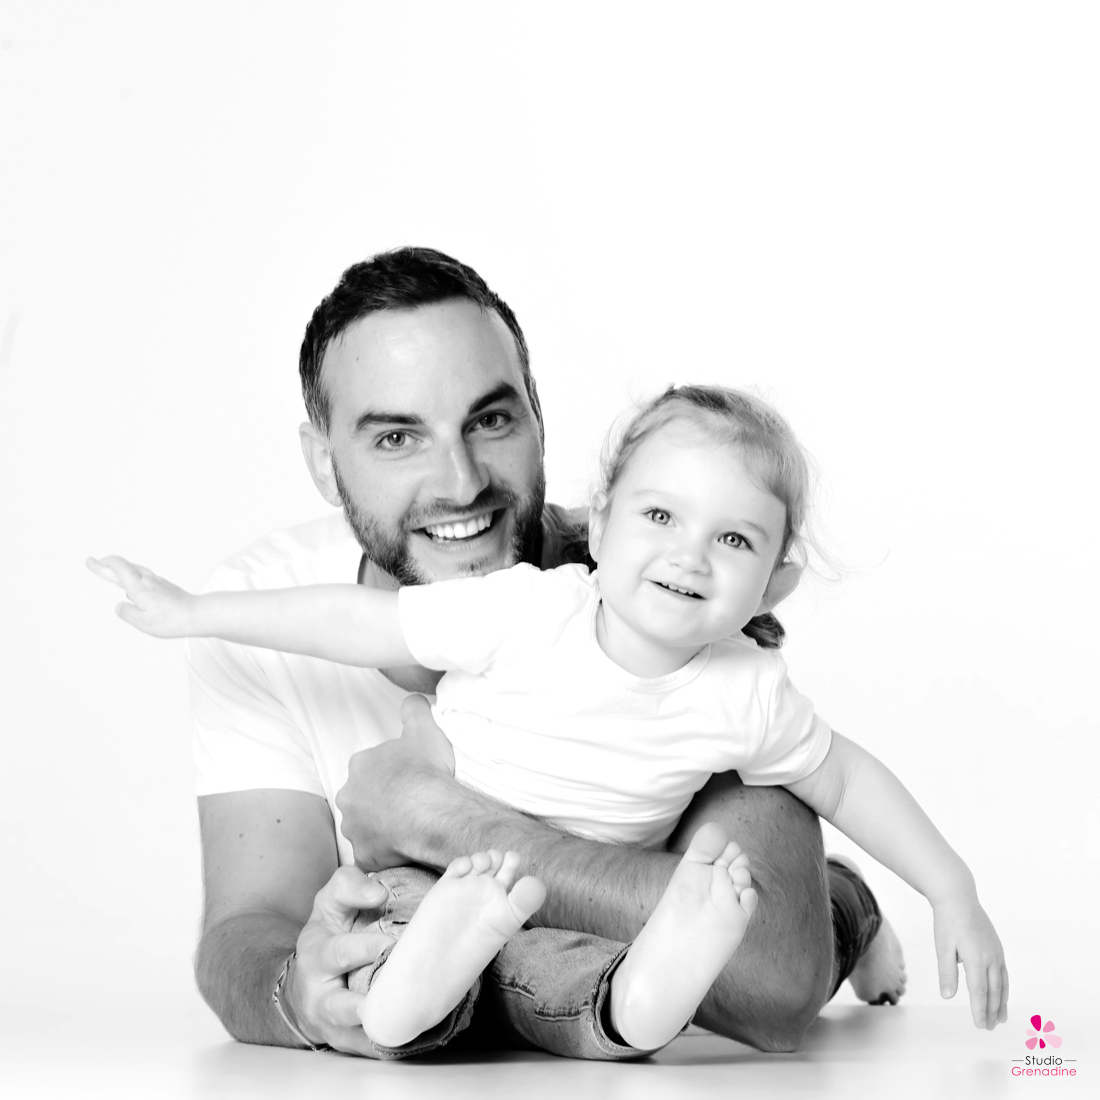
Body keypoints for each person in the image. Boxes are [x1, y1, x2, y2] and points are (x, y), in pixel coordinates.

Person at [101, 249, 904, 1057]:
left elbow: (775, 977)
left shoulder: (656, 594)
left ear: (538, 420)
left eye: (490, 421)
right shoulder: (256, 604)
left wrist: (438, 819)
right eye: (396, 437)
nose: (459, 483)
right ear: (323, 461)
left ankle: (843, 902)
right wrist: (299, 996)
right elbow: (246, 928)